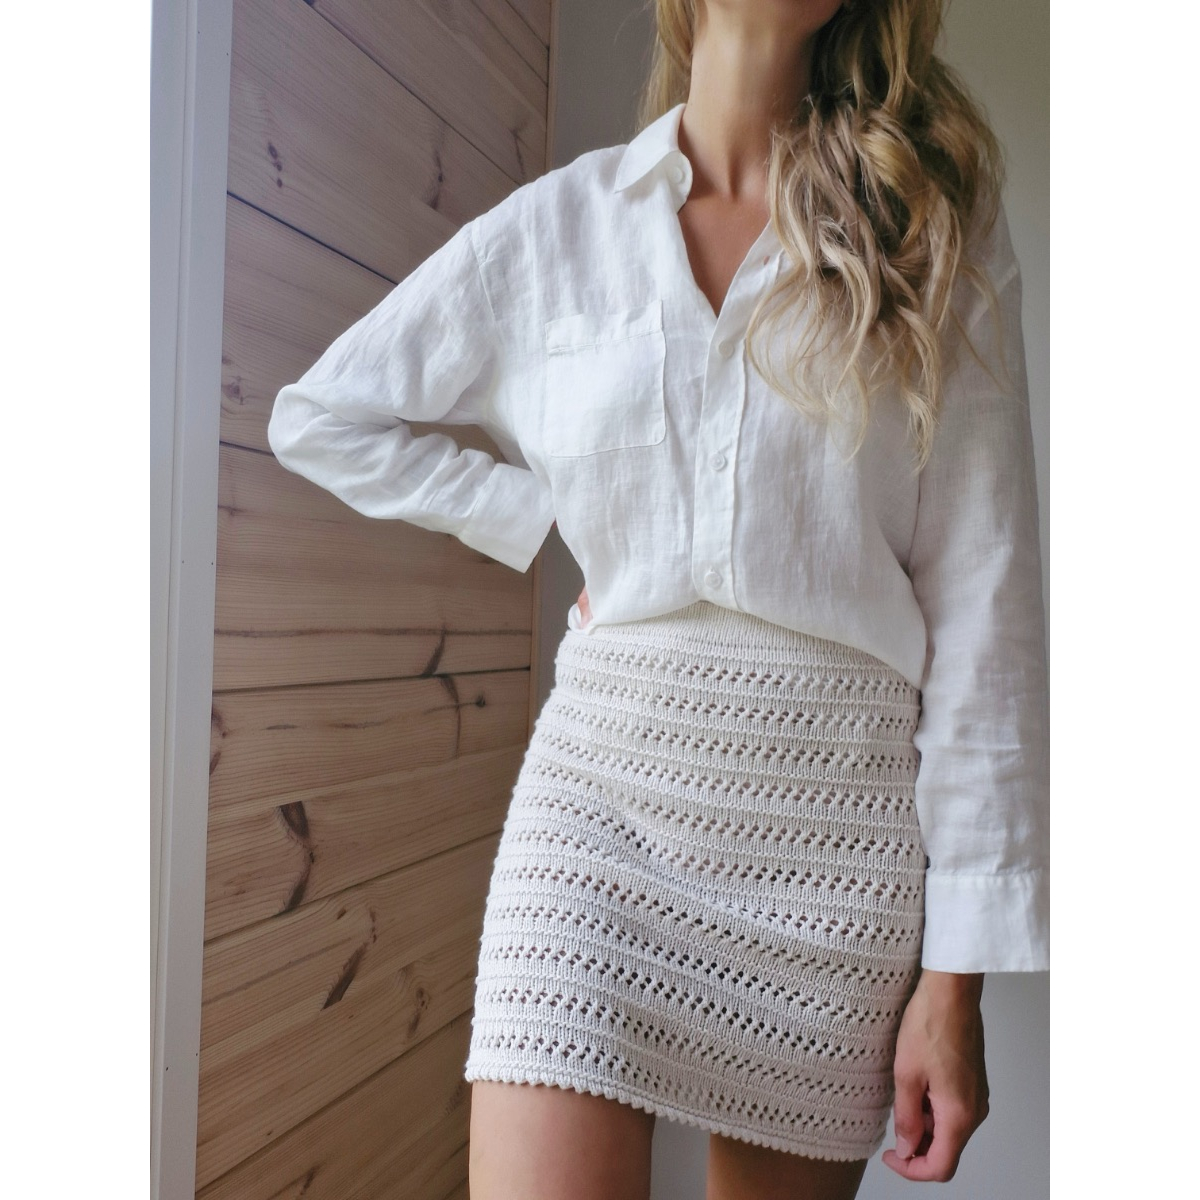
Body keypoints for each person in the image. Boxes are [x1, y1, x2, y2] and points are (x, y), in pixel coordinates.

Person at [266, 1, 1049, 1196]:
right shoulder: (557, 229)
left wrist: (956, 980)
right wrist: (533, 514)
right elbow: (324, 414)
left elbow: (987, 603)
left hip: (831, 860)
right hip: (596, 818)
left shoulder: (931, 224)